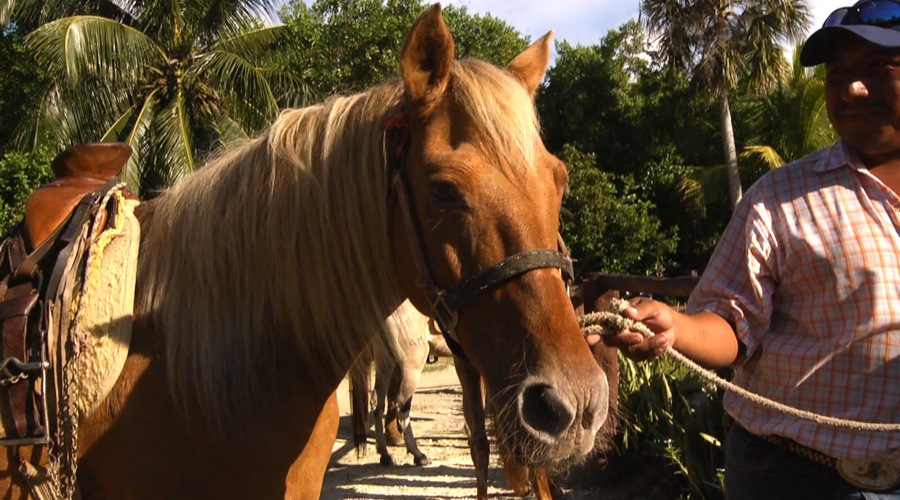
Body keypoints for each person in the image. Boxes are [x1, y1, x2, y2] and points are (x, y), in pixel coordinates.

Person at [591, 1, 900, 498]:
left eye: (877, 67)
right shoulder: (779, 198)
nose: (851, 89)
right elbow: (730, 323)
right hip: (794, 475)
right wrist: (677, 328)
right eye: (838, 73)